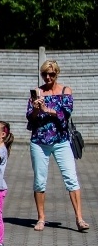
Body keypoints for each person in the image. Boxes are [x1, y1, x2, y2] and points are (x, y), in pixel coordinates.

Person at [26, 60, 88, 232]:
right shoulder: (37, 92)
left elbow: (66, 114)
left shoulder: (65, 91)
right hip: (39, 142)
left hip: (61, 141)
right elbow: (30, 117)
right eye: (44, 74)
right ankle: (41, 218)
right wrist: (36, 109)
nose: (48, 77)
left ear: (57, 74)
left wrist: (47, 109)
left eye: (51, 74)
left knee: (71, 178)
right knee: (40, 181)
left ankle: (79, 218)